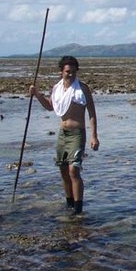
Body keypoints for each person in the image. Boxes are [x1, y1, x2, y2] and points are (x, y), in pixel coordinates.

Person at [30, 56, 99, 215]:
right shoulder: (57, 88)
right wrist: (37, 94)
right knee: (63, 171)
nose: (71, 75)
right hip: (63, 134)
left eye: (74, 72)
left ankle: (78, 210)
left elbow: (92, 113)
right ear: (62, 72)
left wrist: (94, 136)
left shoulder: (82, 88)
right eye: (68, 71)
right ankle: (69, 205)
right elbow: (50, 107)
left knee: (74, 171)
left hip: (77, 134)